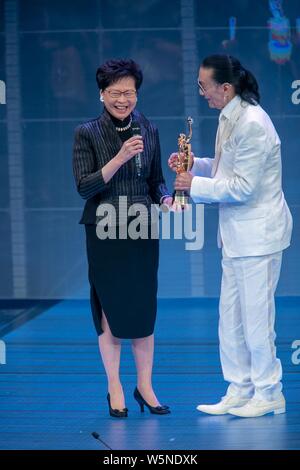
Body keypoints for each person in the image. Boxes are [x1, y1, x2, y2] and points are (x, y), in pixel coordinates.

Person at [169, 54, 293, 418]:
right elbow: (227, 168)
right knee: (231, 319)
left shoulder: (253, 122)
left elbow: (242, 187)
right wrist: (196, 165)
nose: (201, 93)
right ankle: (240, 388)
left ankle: (269, 391)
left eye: (204, 86)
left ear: (226, 88)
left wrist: (194, 184)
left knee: (256, 320)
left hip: (258, 236)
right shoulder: (231, 117)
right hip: (237, 238)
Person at [73, 59, 172, 417]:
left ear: (137, 93)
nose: (122, 99)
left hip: (142, 228)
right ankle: (114, 386)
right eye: (115, 93)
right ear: (102, 95)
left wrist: (165, 199)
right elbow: (84, 187)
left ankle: (145, 387)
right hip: (104, 229)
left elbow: (156, 179)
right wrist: (118, 157)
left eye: (128, 92)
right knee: (111, 313)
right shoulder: (86, 132)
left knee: (144, 311)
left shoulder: (150, 128)